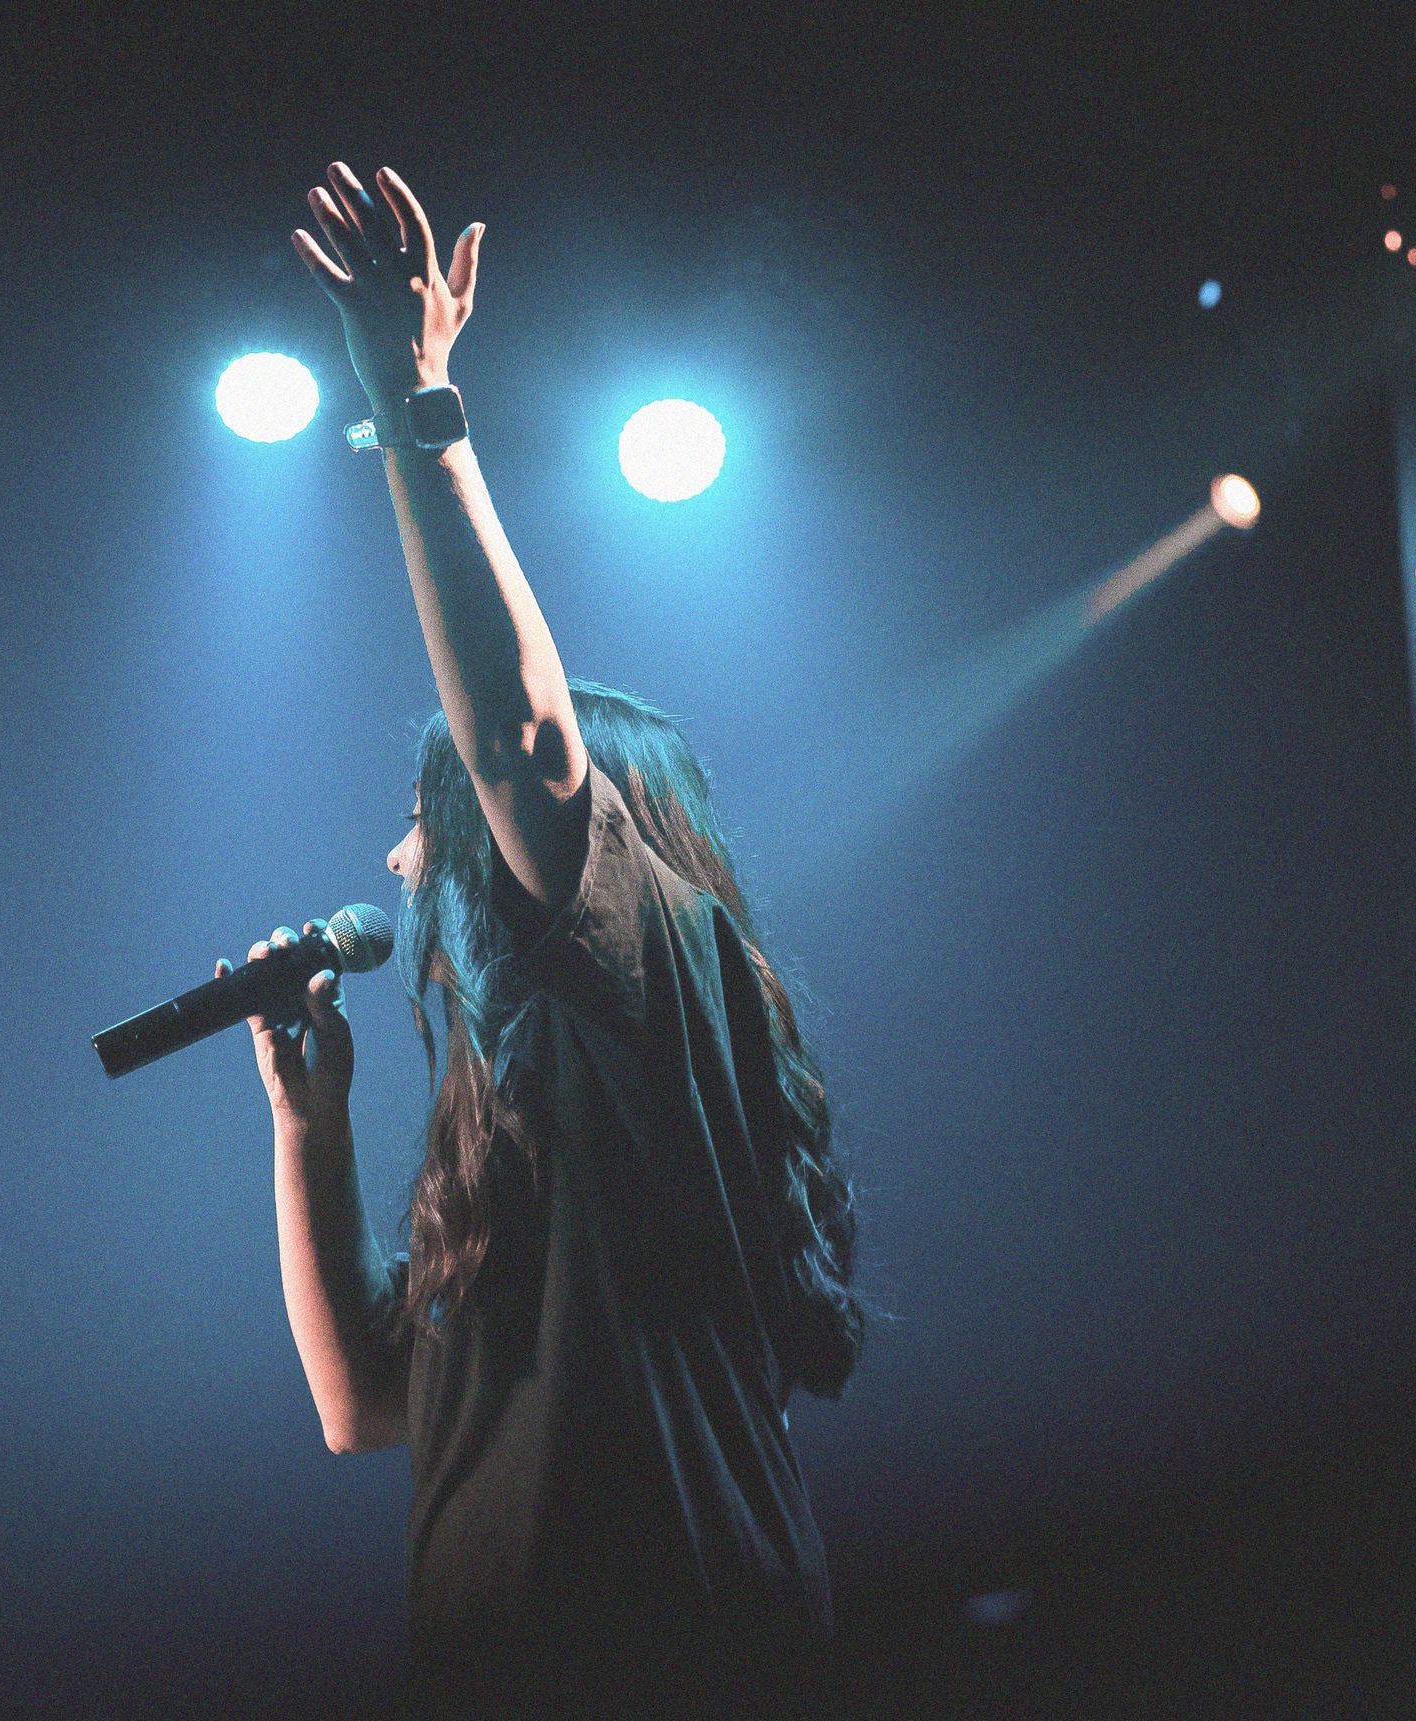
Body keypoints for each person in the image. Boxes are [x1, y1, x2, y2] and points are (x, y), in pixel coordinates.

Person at [210, 163, 864, 1721]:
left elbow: (512, 734)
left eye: (418, 816)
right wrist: (309, 1132)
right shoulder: (521, 1106)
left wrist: (411, 398)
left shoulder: (652, 974)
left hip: (672, 1650)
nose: (397, 854)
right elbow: (363, 1409)